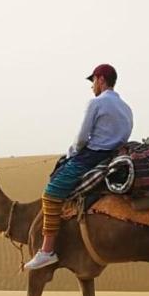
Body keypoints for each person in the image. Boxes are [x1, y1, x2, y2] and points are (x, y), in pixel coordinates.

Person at [23, 63, 134, 270]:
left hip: (91, 157)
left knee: (51, 193)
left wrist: (71, 153)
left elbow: (82, 138)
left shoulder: (96, 103)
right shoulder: (126, 108)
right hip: (115, 156)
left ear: (101, 79)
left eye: (93, 81)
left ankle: (47, 251)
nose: (92, 86)